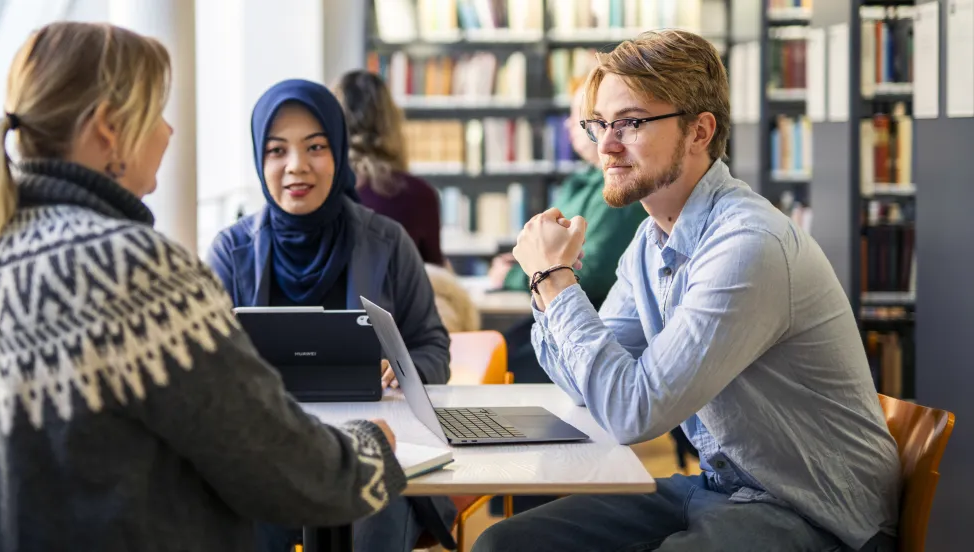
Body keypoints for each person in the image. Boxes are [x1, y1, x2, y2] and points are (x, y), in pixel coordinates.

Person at [0, 23, 408, 552]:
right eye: (157, 113)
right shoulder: (131, 266)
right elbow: (277, 463)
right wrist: (371, 447)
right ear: (109, 128)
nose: (169, 132)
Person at [474, 30, 901, 551]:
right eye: (599, 123)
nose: (604, 144)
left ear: (699, 131)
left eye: (629, 123)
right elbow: (584, 383)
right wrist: (546, 287)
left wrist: (555, 280)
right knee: (505, 544)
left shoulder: (748, 246)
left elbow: (633, 414)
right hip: (723, 488)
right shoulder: (651, 239)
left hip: (815, 512)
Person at [206, 79, 455, 552]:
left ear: (338, 154)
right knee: (242, 515)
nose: (296, 166)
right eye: (277, 150)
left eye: (315, 147)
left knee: (372, 511)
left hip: (378, 446)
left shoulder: (388, 241)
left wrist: (403, 370)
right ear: (260, 161)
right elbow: (204, 365)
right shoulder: (230, 252)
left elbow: (433, 347)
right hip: (265, 452)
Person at [489, 83, 648, 383]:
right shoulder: (580, 182)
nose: (603, 137)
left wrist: (515, 275)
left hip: (590, 317)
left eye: (585, 116)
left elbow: (592, 268)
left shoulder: (619, 189)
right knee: (499, 348)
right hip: (561, 313)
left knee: (505, 364)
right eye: (595, 120)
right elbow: (548, 249)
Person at [333, 69, 479, 333]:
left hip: (335, 330)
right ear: (392, 124)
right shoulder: (419, 194)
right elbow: (434, 277)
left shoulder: (326, 192)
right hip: (403, 339)